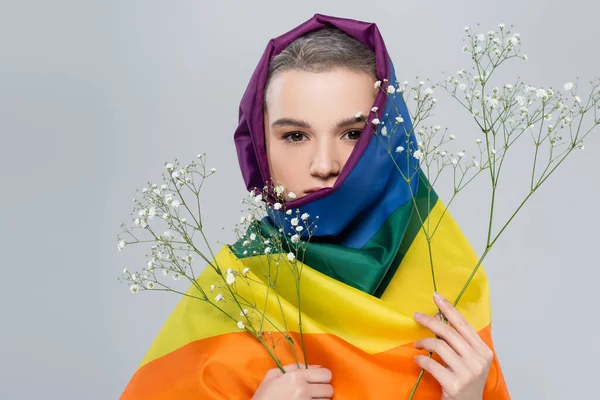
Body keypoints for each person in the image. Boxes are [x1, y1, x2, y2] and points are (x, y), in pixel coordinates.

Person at [121, 14, 510, 400]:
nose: (324, 165)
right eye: (295, 135)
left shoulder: (446, 281)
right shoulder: (229, 297)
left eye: (354, 134)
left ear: (391, 137)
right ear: (260, 148)